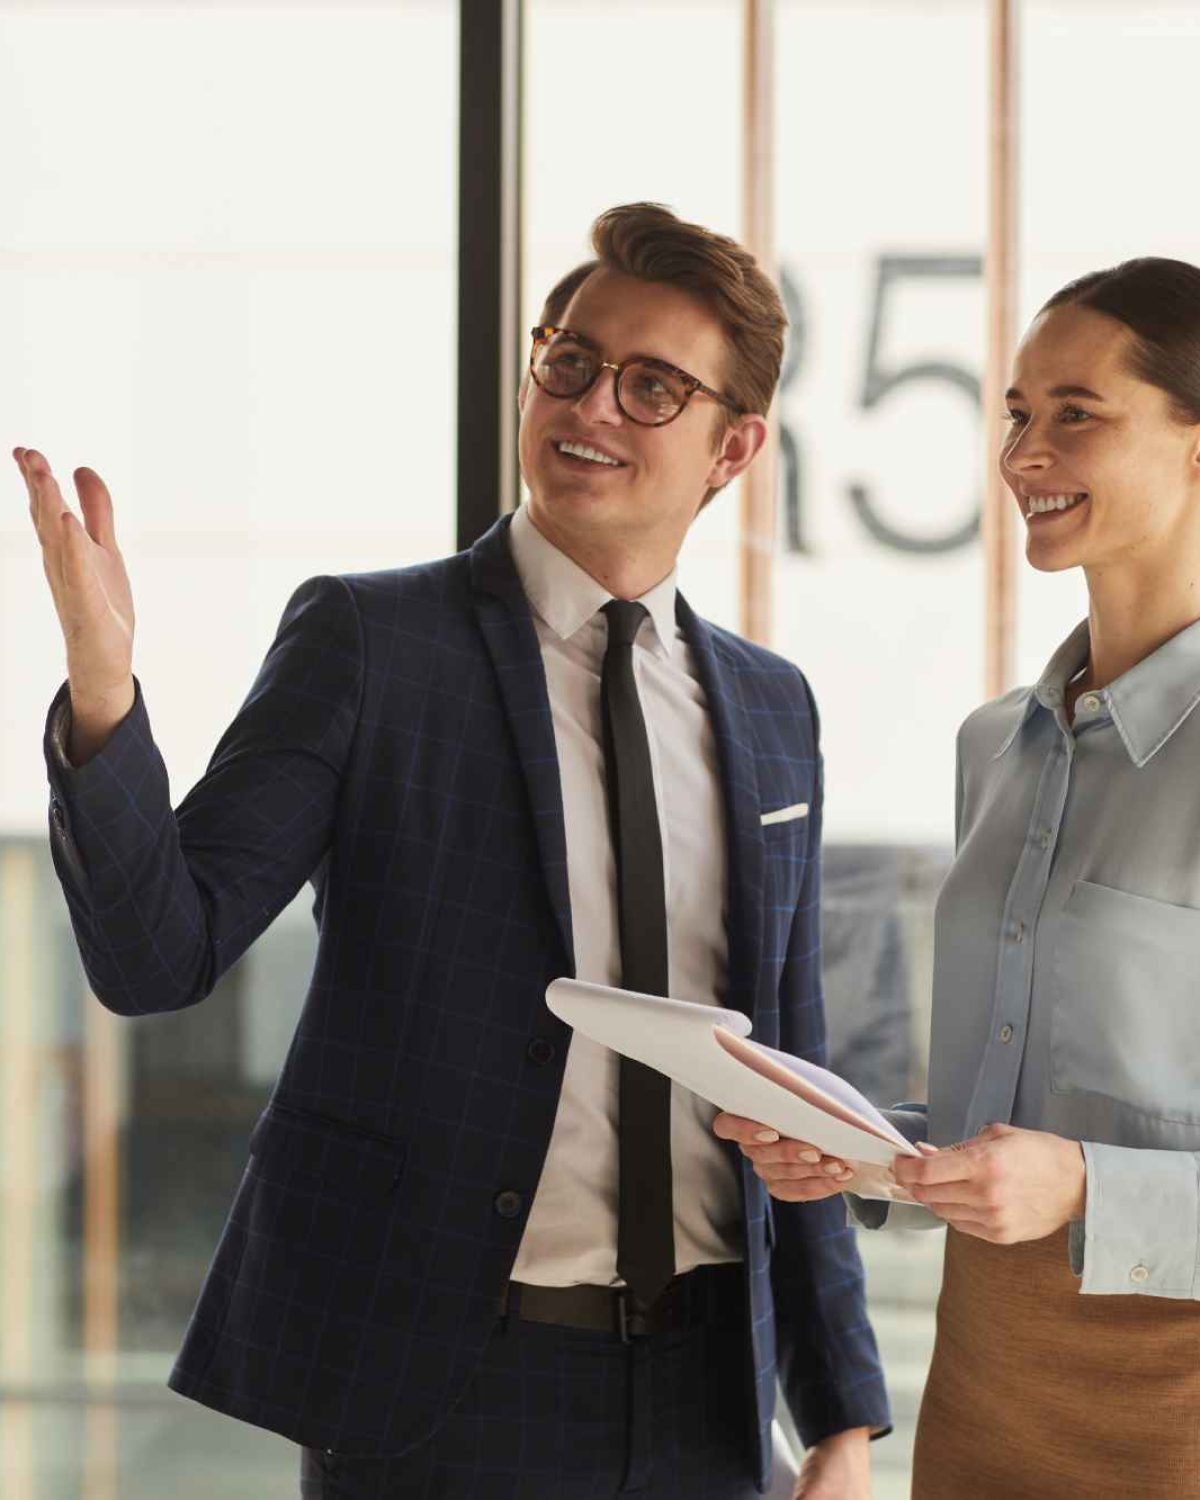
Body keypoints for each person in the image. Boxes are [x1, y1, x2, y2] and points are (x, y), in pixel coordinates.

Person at [17, 202, 888, 1500]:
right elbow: (160, 956)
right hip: (443, 1390)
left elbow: (790, 1071)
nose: (591, 406)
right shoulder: (371, 645)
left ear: (734, 447)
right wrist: (102, 694)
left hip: (714, 1398)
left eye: (652, 386)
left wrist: (842, 1413)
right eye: (570, 361)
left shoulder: (772, 706)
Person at [716, 256, 1200, 1499]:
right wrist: (874, 1152)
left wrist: (1084, 1186)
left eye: (1076, 413)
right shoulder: (999, 745)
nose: (1025, 451)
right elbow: (1027, 1119)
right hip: (989, 1393)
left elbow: (1075, 1167)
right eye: (1017, 414)